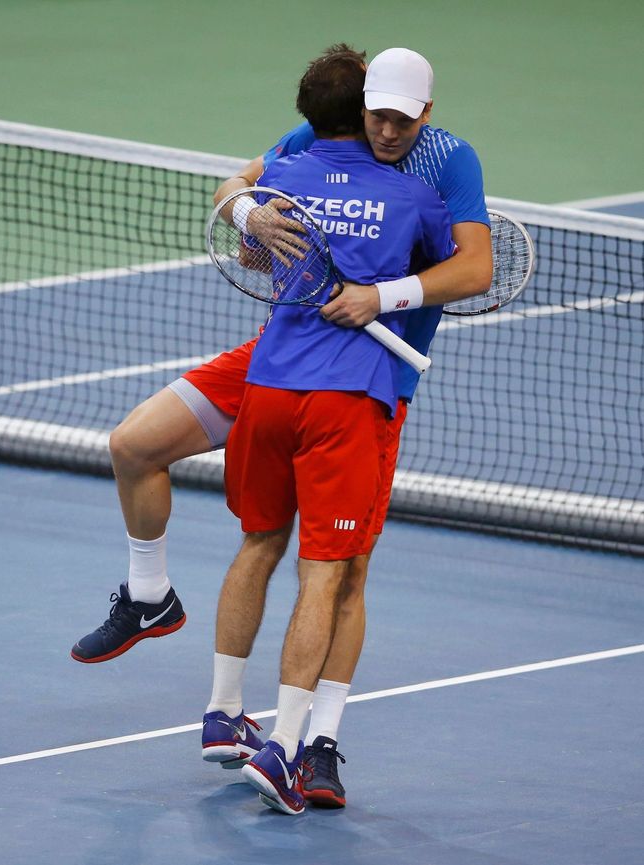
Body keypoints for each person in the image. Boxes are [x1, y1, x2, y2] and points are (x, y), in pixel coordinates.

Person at [70, 44, 491, 806]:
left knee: (345, 570)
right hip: (279, 360)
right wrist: (254, 214)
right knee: (136, 445)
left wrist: (378, 295)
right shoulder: (314, 141)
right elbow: (242, 198)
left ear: (426, 114)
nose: (387, 129)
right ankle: (151, 599)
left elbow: (473, 268)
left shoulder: (449, 166)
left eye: (401, 118)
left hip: (372, 377)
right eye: (376, 113)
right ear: (358, 105)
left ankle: (315, 743)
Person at [201, 47, 455, 815]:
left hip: (270, 390)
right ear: (369, 112)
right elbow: (459, 275)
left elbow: (251, 243)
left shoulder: (283, 180)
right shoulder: (414, 195)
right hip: (345, 402)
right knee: (326, 574)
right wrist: (381, 287)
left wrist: (257, 213)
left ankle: (222, 712)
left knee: (256, 545)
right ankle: (282, 749)